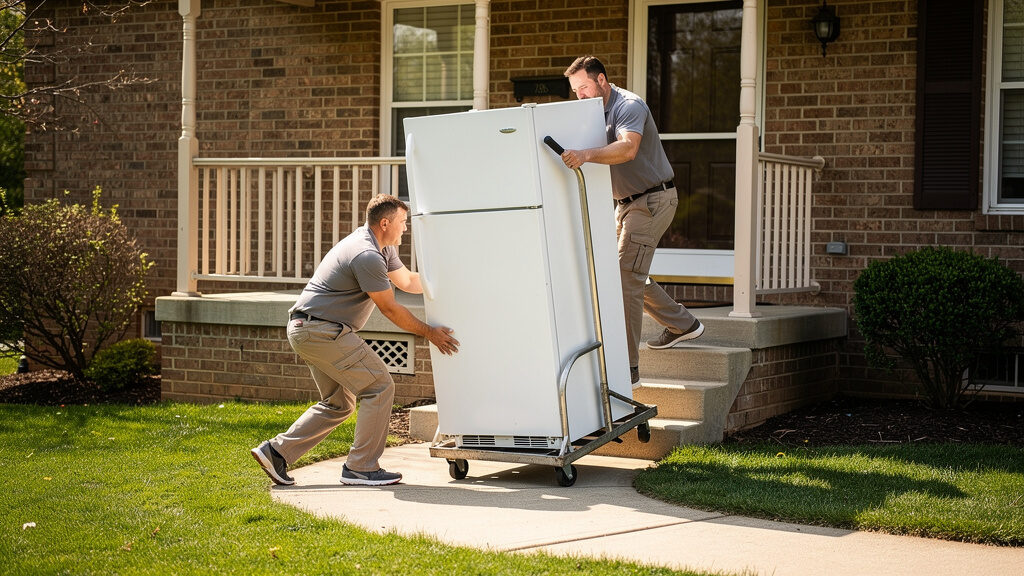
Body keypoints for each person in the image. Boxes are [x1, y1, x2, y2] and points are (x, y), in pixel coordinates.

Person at [252, 194, 459, 486]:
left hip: (308, 329)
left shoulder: (380, 248)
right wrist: (430, 333)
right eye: (402, 222)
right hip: (323, 331)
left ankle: (275, 452)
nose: (405, 228)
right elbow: (389, 307)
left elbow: (409, 282)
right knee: (379, 386)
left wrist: (452, 279)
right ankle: (362, 467)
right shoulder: (367, 255)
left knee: (338, 404)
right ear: (385, 223)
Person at [560, 55, 704, 386]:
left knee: (625, 276)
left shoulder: (629, 105)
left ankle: (628, 370)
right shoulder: (591, 112)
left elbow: (627, 149)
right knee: (624, 272)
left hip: (653, 199)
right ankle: (684, 324)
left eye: (584, 87)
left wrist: (585, 155)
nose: (580, 95)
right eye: (575, 90)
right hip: (624, 204)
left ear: (601, 81)